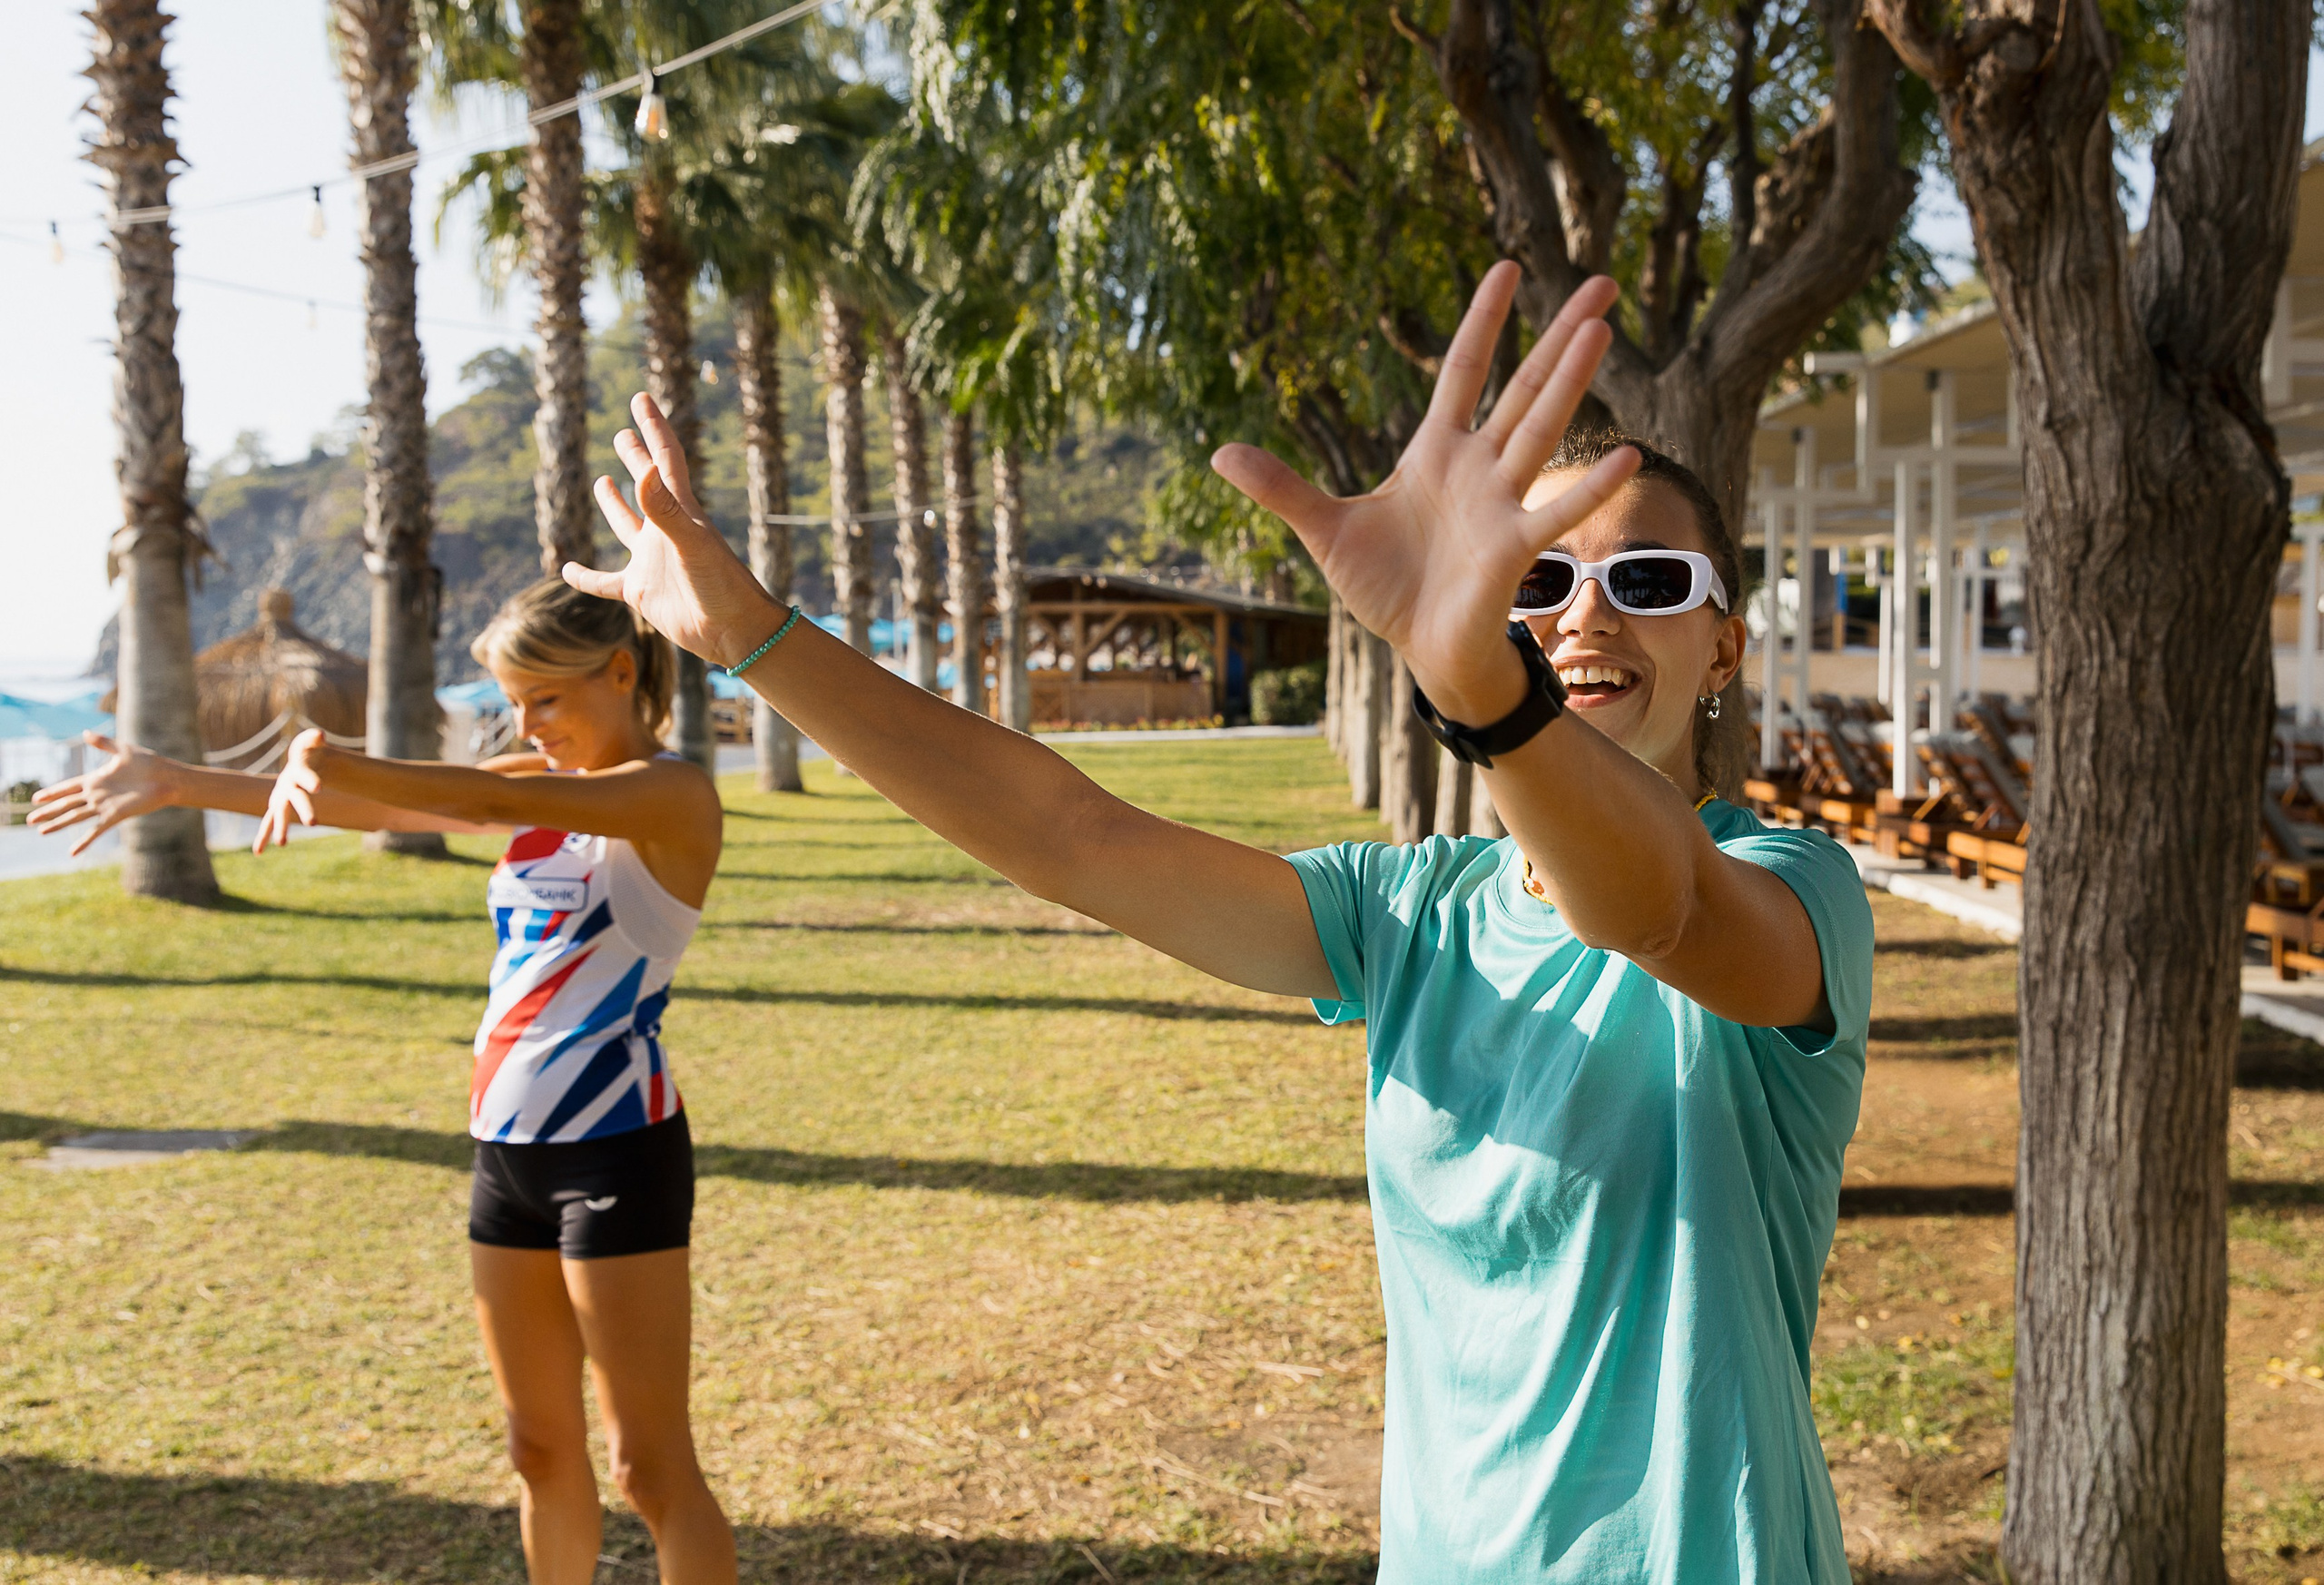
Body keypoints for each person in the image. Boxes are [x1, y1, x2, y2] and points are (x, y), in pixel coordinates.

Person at [566, 261, 1872, 1583]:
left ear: (1725, 644)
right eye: (1534, 580)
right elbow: (1073, 838)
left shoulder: (1799, 889)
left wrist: (1481, 685)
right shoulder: (1410, 916)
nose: (1584, 613)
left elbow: (1659, 906)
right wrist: (749, 631)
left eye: (1648, 579)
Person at [32, 581, 737, 1585]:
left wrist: (325, 753)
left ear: (619, 673)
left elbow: (484, 799)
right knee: (537, 1450)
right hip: (505, 1155)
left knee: (649, 1468)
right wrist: (177, 781)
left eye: (544, 699)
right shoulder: (546, 783)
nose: (527, 726)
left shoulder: (668, 796)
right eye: (512, 704)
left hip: (615, 1148)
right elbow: (385, 802)